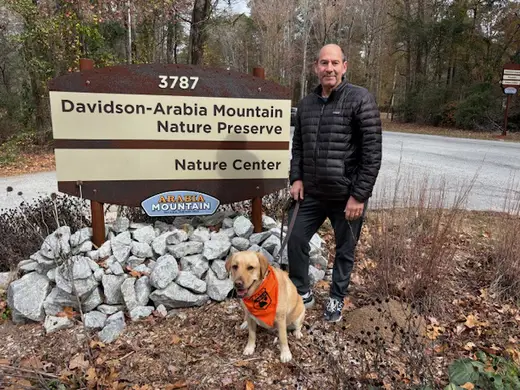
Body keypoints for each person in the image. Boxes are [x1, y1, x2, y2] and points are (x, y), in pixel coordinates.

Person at [287, 43, 382, 322]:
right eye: (324, 63)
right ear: (316, 67)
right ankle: (302, 291)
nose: (329, 68)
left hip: (346, 196)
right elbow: (299, 148)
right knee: (295, 238)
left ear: (344, 66)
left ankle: (336, 299)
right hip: (312, 194)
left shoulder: (360, 99)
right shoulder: (306, 104)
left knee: (345, 249)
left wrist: (359, 195)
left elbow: (372, 154)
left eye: (334, 63)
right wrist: (297, 178)